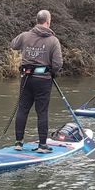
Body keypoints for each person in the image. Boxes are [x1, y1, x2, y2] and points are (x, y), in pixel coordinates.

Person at [10, 10, 63, 153]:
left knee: (23, 109)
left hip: (26, 78)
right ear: (48, 21)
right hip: (43, 80)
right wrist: (52, 72)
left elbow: (13, 45)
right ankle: (42, 146)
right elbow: (58, 64)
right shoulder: (53, 41)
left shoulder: (25, 36)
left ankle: (18, 143)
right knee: (42, 112)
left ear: (37, 20)